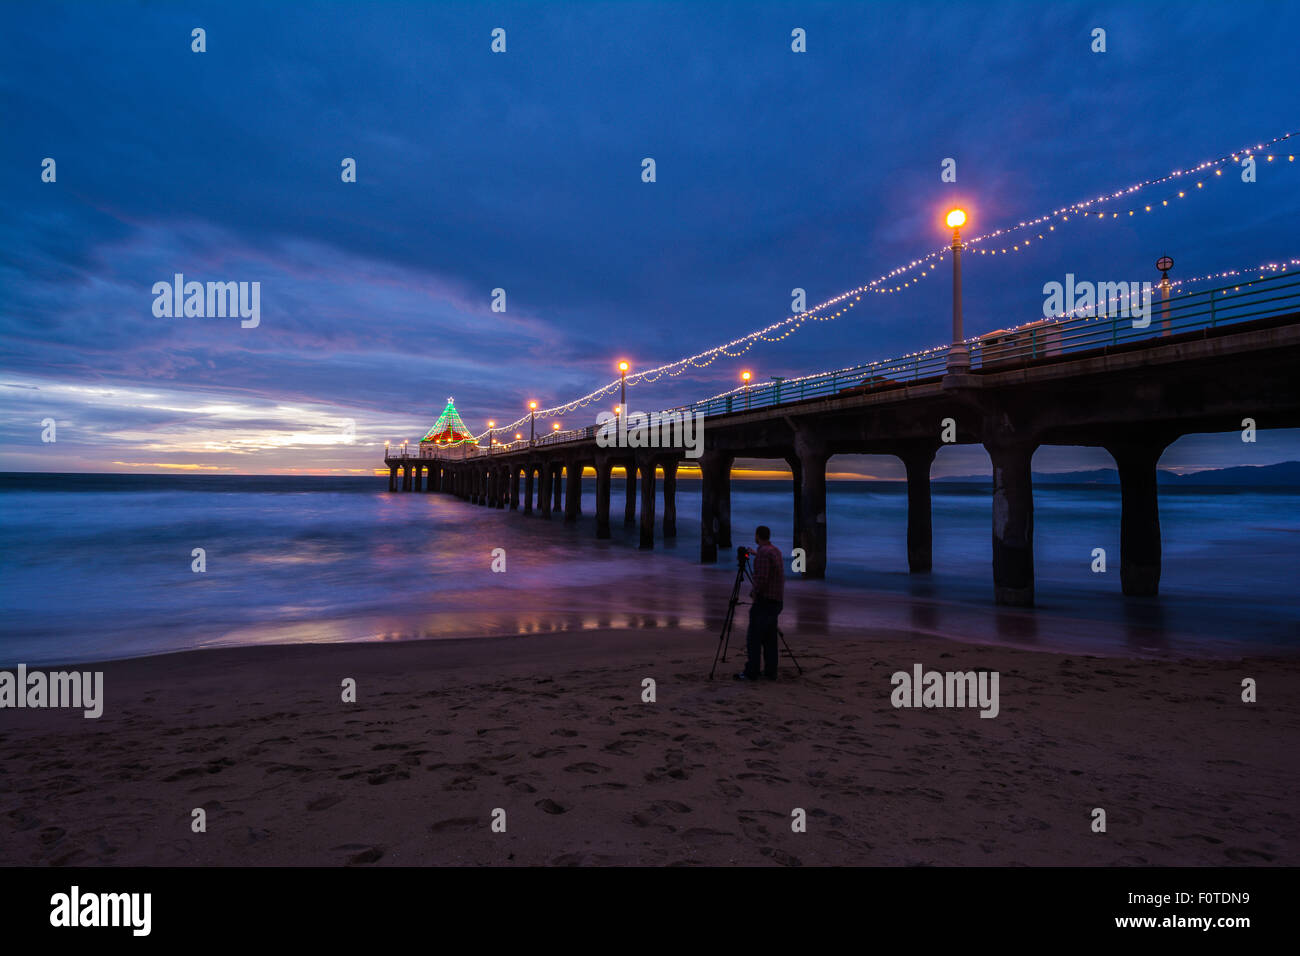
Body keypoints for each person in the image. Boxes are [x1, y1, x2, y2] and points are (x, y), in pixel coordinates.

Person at [736, 525, 784, 681]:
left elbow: (762, 579)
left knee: (754, 638)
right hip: (776, 600)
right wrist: (756, 554)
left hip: (765, 602)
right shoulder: (775, 551)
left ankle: (752, 672)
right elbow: (770, 566)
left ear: (757, 536)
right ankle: (771, 672)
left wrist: (754, 593)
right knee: (770, 639)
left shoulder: (763, 554)